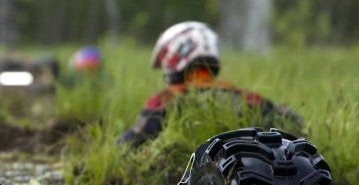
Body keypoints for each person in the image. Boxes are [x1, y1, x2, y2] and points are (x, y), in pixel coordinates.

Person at [120, 22, 303, 147]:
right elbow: (293, 124)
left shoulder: (164, 100)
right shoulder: (246, 97)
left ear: (176, 54)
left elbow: (131, 142)